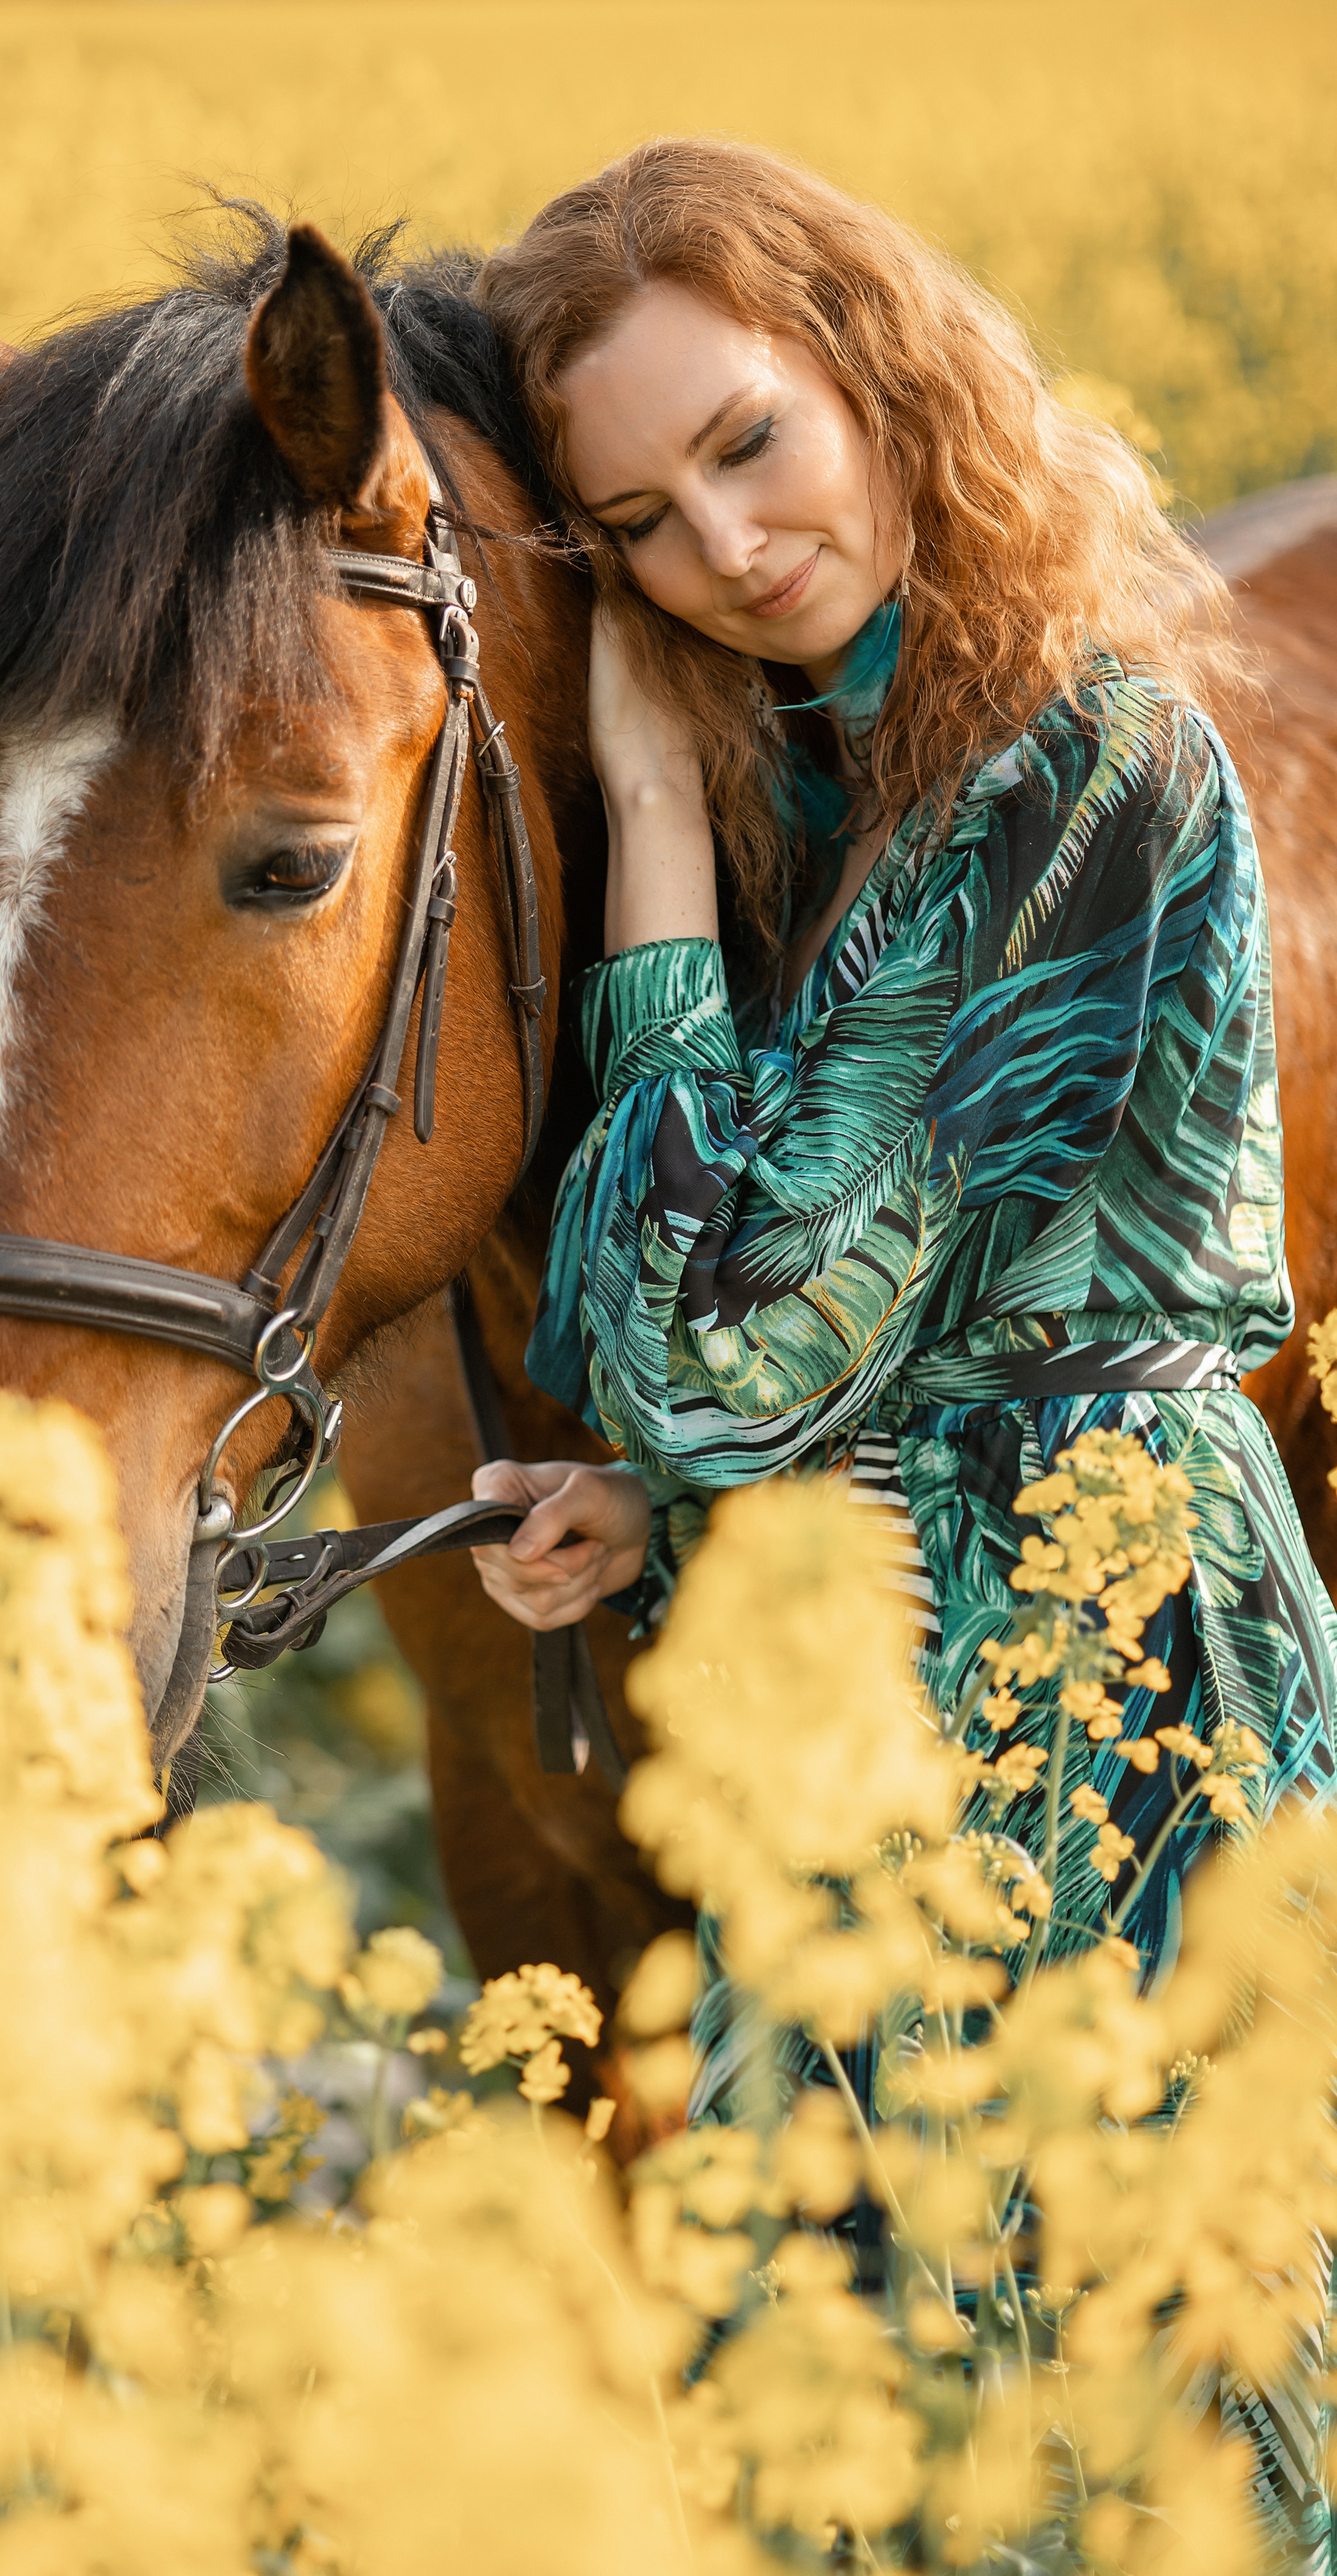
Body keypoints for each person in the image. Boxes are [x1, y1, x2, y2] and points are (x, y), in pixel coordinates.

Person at [466, 138, 1337, 2526]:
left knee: (1167, 2430)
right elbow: (842, 1344)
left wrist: (640, 830)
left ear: (870, 370)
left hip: (1116, 1672)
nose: (723, 549)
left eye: (745, 439)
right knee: (857, 2428)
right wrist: (657, 1500)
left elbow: (715, 1339)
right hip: (875, 1672)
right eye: (637, 522)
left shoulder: (1075, 757)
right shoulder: (843, 787)